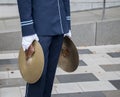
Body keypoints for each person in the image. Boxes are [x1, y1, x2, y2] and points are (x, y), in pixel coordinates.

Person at [17, 0, 71, 97]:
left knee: (49, 78)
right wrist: (27, 30)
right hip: (40, 26)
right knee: (38, 78)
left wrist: (67, 22)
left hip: (59, 25)